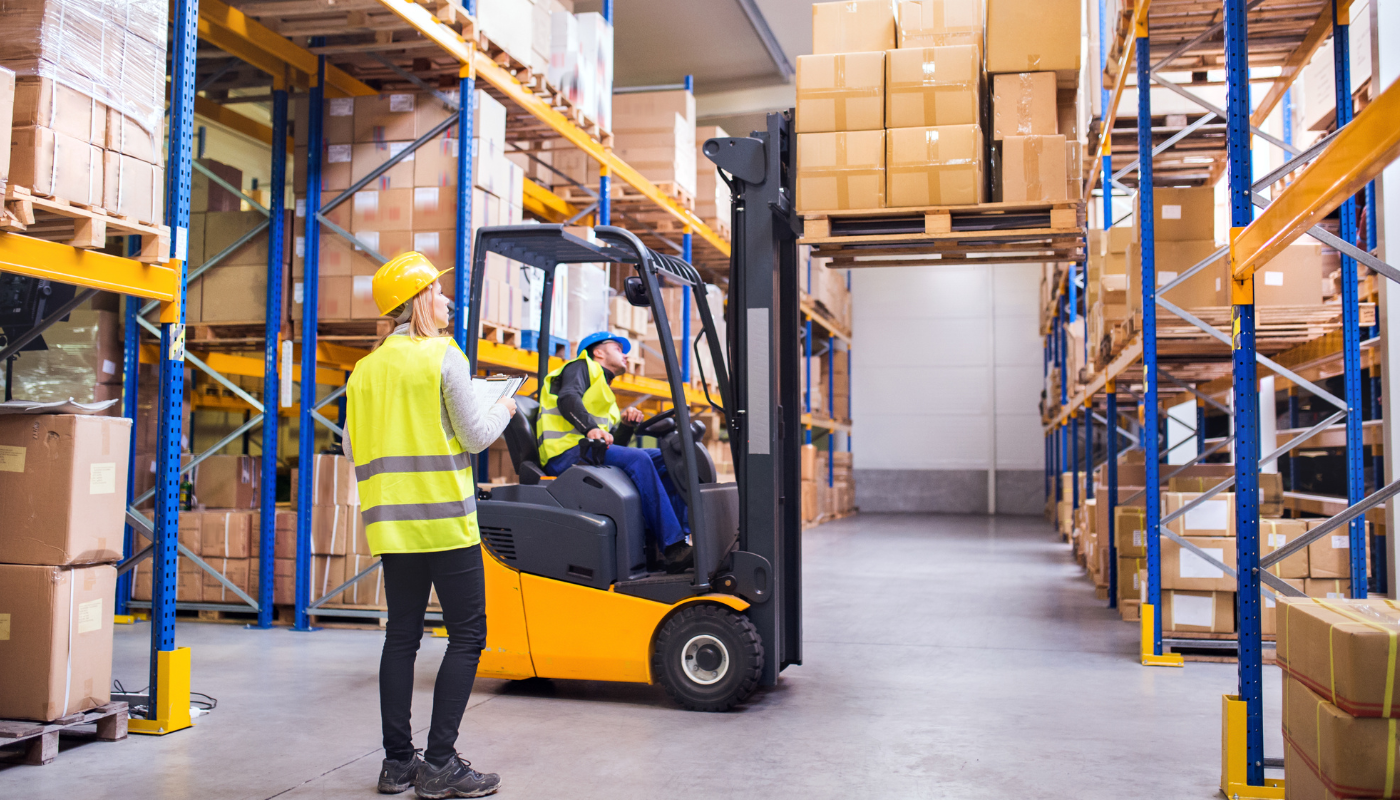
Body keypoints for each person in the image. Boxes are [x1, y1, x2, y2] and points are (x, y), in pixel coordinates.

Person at [344, 251, 514, 799]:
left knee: (401, 638)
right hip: (445, 523)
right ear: (419, 301)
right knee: (468, 638)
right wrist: (507, 410)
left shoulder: (364, 371)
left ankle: (397, 764)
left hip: (393, 528)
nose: (445, 299)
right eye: (437, 292)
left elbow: (351, 444)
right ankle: (440, 763)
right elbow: (474, 435)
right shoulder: (444, 356)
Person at [535, 331, 694, 573]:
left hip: (587, 451)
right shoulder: (580, 367)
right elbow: (567, 398)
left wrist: (627, 426)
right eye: (619, 348)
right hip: (565, 454)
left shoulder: (604, 390)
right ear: (598, 352)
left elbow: (613, 444)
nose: (626, 354)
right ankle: (673, 547)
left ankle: (683, 538)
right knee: (640, 458)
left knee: (669, 458)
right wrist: (590, 429)